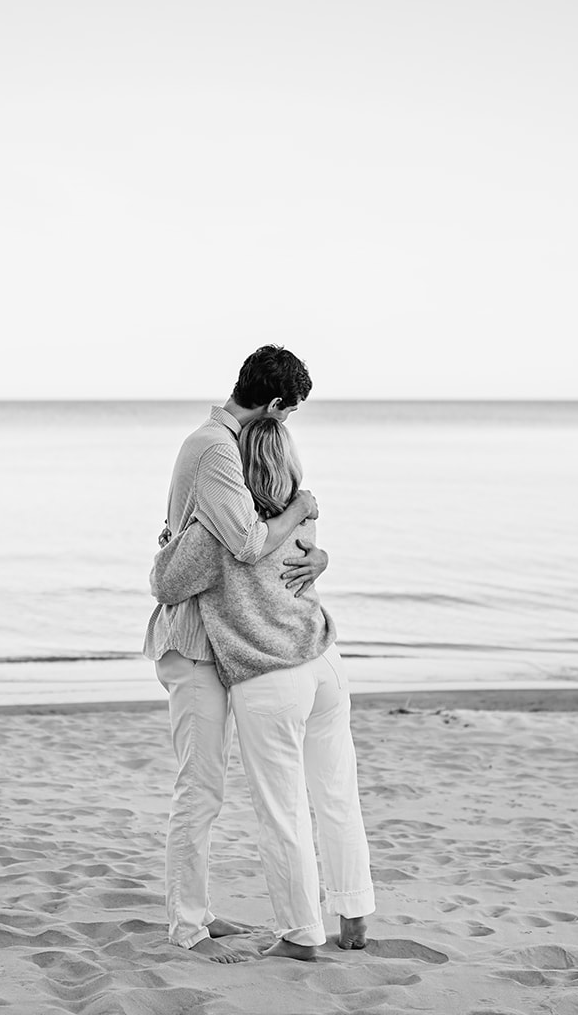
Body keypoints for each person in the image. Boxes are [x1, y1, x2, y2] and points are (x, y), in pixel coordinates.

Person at [151, 416, 374, 961]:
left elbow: (166, 582)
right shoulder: (301, 510)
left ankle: (300, 936)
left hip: (272, 677)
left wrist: (171, 540)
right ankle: (355, 915)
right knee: (337, 793)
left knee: (284, 810)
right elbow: (301, 564)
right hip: (324, 659)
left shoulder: (221, 532)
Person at [143, 345, 329, 961]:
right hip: (194, 642)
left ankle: (197, 912)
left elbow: (255, 547)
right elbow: (248, 544)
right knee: (200, 788)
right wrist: (303, 507)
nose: (287, 424)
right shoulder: (217, 449)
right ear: (274, 405)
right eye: (290, 412)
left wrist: (318, 553)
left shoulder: (221, 447)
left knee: (208, 787)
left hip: (221, 641)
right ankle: (186, 927)